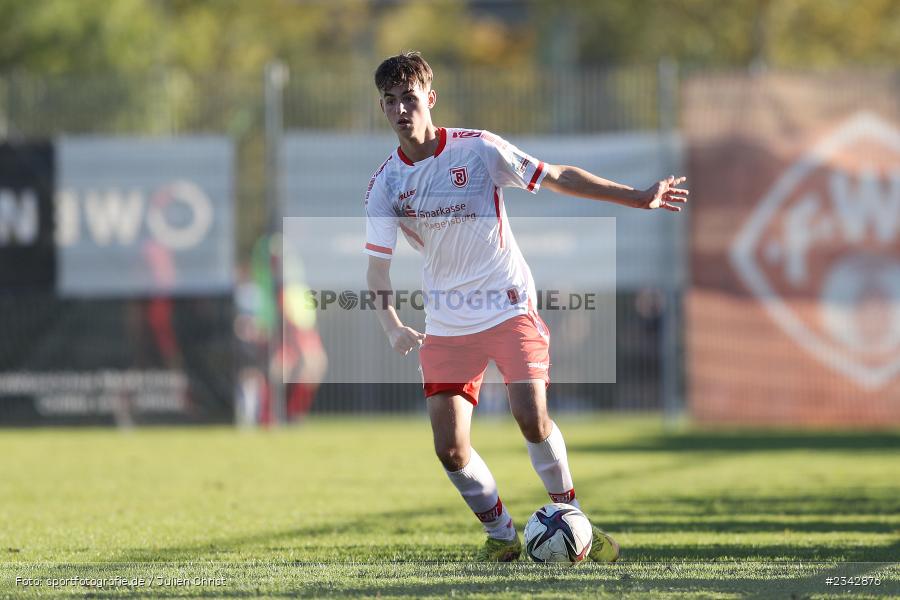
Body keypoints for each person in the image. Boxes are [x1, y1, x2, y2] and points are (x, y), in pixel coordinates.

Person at [364, 52, 688, 562]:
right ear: (382, 109)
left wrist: (637, 197)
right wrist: (393, 325)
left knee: (530, 416)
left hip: (509, 304)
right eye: (390, 101)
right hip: (447, 320)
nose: (401, 109)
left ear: (430, 98)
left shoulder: (478, 150)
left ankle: (576, 522)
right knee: (449, 449)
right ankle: (501, 537)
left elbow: (556, 175)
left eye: (409, 98)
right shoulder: (385, 185)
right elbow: (376, 270)